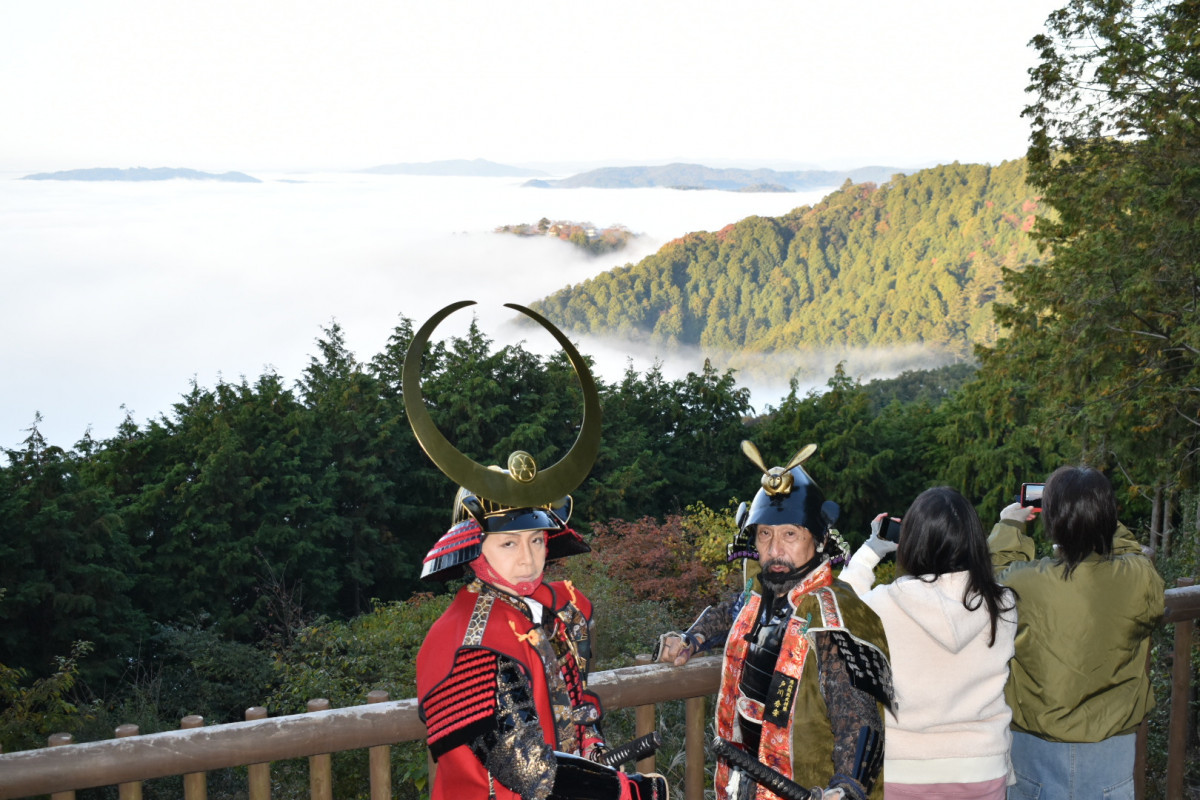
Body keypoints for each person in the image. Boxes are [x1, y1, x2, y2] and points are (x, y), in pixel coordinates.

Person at [405, 300, 668, 800]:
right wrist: (626, 792)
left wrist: (591, 744)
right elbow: (532, 773)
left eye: (536, 540)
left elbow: (576, 710)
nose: (527, 558)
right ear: (473, 548)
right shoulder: (462, 641)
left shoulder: (555, 609)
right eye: (507, 542)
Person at [657, 441, 894, 800]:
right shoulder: (760, 593)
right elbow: (727, 615)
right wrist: (691, 639)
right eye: (765, 534)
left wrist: (847, 788)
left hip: (802, 788)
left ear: (817, 541)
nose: (774, 548)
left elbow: (859, 720)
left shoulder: (834, 616)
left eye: (790, 534)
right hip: (741, 779)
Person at [989, 465, 1164, 800]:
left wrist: (1010, 525)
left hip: (1034, 747)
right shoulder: (1139, 577)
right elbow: (1130, 550)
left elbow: (989, 578)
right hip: (1112, 751)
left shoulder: (1024, 582)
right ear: (1109, 518)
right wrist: (1098, 518)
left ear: (1051, 520)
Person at [840, 487, 1018, 800]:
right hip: (981, 766)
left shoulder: (883, 604)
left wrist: (871, 550)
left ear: (912, 542)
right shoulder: (1001, 603)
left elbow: (837, 609)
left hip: (902, 767)